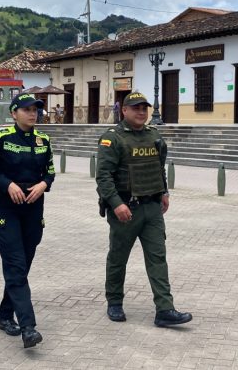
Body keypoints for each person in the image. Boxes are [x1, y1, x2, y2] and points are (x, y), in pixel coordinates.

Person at [95, 92, 192, 328]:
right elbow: (103, 177)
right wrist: (116, 204)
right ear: (124, 111)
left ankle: (165, 310)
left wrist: (164, 192)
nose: (141, 112)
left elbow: (159, 167)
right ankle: (114, 302)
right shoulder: (112, 138)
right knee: (118, 258)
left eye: (144, 108)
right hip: (126, 209)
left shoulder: (154, 135)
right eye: (136, 108)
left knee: (158, 258)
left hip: (152, 208)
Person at [0, 93, 56, 348]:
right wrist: (8, 184)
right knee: (15, 265)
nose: (33, 113)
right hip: (6, 210)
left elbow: (50, 171)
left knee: (20, 269)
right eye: (26, 110)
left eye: (35, 109)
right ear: (14, 113)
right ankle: (28, 327)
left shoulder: (43, 140)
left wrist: (44, 184)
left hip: (33, 210)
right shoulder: (1, 138)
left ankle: (5, 317)